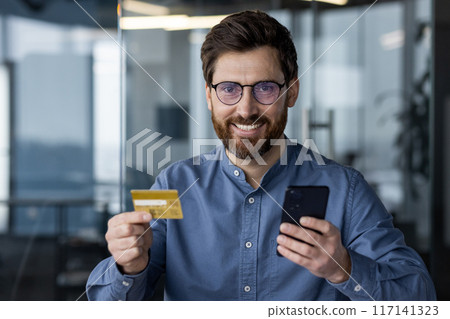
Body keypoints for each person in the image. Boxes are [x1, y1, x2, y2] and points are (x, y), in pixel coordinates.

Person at [86, 10, 436, 301]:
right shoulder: (173, 185)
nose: (246, 108)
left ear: (292, 92)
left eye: (265, 88)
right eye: (228, 90)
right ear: (209, 97)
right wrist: (127, 266)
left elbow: (419, 298)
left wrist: (342, 267)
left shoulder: (346, 190)